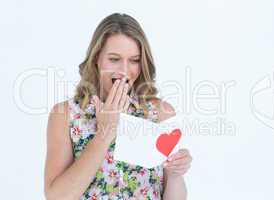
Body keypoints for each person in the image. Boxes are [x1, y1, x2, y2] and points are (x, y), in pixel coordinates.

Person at [44, 13, 192, 200]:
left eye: (134, 60)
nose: (124, 70)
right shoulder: (65, 115)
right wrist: (105, 132)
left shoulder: (161, 113)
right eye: (114, 59)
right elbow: (57, 197)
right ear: (97, 58)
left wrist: (176, 174)